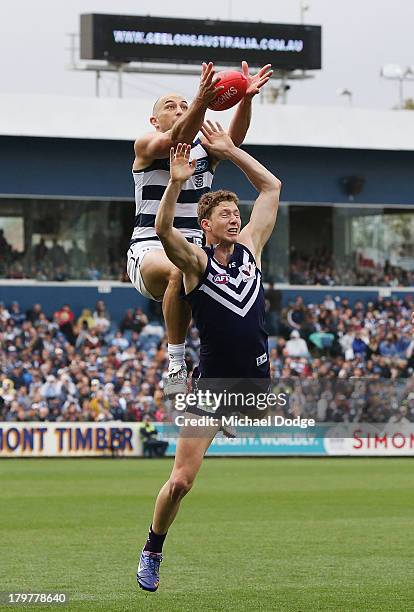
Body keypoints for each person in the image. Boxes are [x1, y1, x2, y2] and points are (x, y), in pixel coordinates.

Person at [136, 122, 281, 591]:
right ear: (205, 225)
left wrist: (230, 149)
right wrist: (176, 181)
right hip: (213, 389)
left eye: (236, 212)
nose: (234, 219)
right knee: (181, 482)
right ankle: (152, 549)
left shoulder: (253, 249)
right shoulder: (197, 263)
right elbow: (161, 229)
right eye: (224, 214)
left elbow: (271, 186)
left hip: (255, 385)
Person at [126, 61, 272, 396]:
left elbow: (231, 142)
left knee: (234, 306)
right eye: (170, 106)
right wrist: (201, 101)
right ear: (154, 120)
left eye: (183, 104)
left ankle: (221, 389)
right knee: (180, 271)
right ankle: (175, 363)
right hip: (150, 247)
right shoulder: (147, 145)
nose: (179, 109)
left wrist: (245, 100)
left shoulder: (204, 151)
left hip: (199, 250)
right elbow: (177, 137)